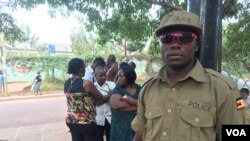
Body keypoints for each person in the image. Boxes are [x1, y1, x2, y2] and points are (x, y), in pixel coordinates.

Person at [131, 10, 246, 141]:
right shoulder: (147, 89)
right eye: (167, 38)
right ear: (160, 44)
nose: (175, 44)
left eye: (185, 38)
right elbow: (140, 133)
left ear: (196, 45)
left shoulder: (225, 90)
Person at [64, 58, 110, 141]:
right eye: (84, 67)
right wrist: (110, 94)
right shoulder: (86, 83)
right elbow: (101, 98)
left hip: (71, 121)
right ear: (81, 69)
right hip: (86, 122)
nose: (85, 69)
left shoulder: (66, 83)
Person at [109, 65, 141, 141]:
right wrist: (141, 106)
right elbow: (117, 105)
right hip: (119, 130)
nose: (118, 79)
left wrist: (132, 101)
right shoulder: (117, 89)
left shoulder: (140, 89)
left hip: (136, 131)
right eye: (117, 76)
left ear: (129, 76)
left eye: (121, 76)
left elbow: (149, 103)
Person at [94, 66, 116, 141]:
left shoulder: (112, 84)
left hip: (110, 117)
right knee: (99, 138)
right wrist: (109, 96)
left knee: (110, 138)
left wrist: (101, 99)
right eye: (101, 75)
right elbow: (94, 103)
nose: (103, 77)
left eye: (104, 75)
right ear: (95, 76)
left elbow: (115, 99)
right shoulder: (92, 87)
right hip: (98, 118)